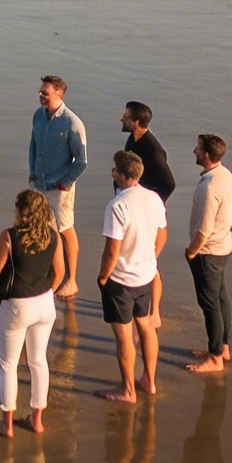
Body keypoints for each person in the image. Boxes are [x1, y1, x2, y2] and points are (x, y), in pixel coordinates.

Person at [0, 187, 70, 435]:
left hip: (17, 305)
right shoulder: (53, 237)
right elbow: (61, 274)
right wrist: (46, 292)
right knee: (38, 361)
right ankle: (37, 420)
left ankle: (7, 424)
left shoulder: (9, 237)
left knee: (8, 365)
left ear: (21, 212)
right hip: (44, 304)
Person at [96, 151, 166, 403]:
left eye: (115, 170)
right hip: (146, 275)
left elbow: (112, 249)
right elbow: (162, 232)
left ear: (123, 176)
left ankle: (128, 390)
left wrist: (103, 277)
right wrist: (151, 257)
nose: (113, 173)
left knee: (124, 336)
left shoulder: (117, 205)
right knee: (146, 326)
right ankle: (149, 380)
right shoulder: (154, 198)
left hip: (122, 280)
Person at [28, 75, 90, 297]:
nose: (41, 95)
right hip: (39, 182)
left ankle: (71, 279)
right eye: (41, 91)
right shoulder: (38, 116)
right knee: (42, 229)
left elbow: (81, 161)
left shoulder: (72, 123)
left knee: (65, 230)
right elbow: (33, 145)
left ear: (59, 94)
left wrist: (66, 182)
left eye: (45, 92)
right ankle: (49, 275)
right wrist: (32, 171)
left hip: (61, 186)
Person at [181, 133, 232, 374]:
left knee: (209, 304)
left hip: (208, 252)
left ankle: (214, 357)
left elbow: (204, 229)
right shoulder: (225, 174)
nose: (194, 151)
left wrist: (192, 252)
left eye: (198, 148)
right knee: (220, 297)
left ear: (206, 154)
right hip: (223, 246)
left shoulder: (210, 186)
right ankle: (222, 347)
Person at [120, 100, 175, 324]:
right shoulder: (133, 139)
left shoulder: (153, 150)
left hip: (148, 212)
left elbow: (168, 183)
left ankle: (155, 312)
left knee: (150, 261)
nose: (121, 118)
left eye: (125, 116)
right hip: (134, 207)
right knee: (137, 255)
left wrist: (154, 205)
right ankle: (137, 301)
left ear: (136, 122)